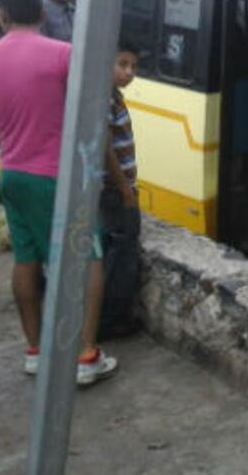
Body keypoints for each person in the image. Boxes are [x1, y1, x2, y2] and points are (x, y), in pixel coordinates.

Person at [0, 0, 117, 385]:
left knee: (25, 258)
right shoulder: (62, 55)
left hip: (12, 175)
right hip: (58, 177)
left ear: (2, 17)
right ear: (40, 13)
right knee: (88, 257)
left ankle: (35, 350)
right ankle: (86, 355)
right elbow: (91, 117)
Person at [98, 37, 141, 340]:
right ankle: (109, 320)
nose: (129, 72)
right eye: (122, 64)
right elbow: (105, 147)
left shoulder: (113, 95)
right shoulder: (105, 98)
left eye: (133, 67)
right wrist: (126, 189)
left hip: (115, 189)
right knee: (121, 253)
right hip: (115, 191)